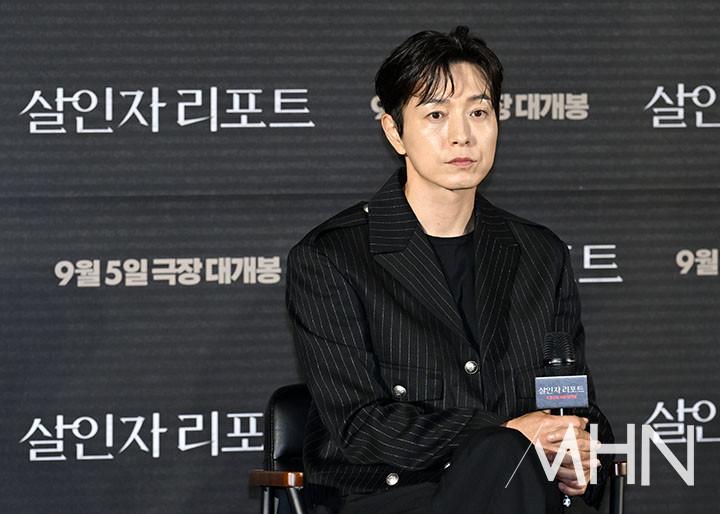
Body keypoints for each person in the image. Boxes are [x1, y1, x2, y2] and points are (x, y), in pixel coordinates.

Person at [285, 25, 614, 514]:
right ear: (394, 131)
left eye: (478, 112)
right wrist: (507, 435)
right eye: (436, 114)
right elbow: (360, 425)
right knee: (504, 457)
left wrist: (578, 452)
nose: (462, 134)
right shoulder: (332, 257)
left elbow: (578, 405)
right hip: (398, 496)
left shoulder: (540, 255)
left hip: (531, 495)